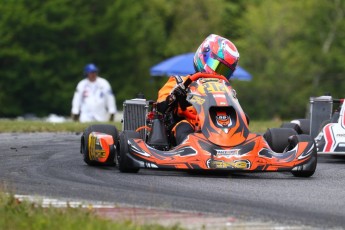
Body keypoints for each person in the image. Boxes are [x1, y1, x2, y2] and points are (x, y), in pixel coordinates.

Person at [157, 34, 240, 145]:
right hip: (188, 123)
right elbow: (161, 105)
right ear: (204, 56)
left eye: (224, 71)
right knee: (183, 128)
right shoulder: (180, 81)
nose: (218, 73)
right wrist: (175, 96)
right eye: (217, 66)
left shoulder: (226, 90)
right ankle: (189, 152)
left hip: (218, 127)